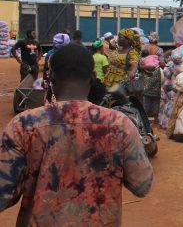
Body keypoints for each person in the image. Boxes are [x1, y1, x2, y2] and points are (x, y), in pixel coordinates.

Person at [0, 44, 154, 225]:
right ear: (93, 78)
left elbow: (4, 194)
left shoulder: (23, 125)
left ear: (51, 77)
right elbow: (142, 184)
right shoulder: (119, 124)